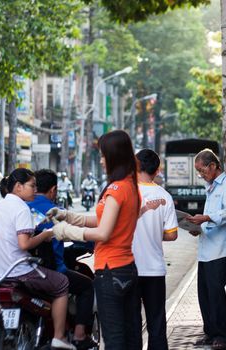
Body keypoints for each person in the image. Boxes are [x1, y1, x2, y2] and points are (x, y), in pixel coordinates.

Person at [47, 130, 155, 349]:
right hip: (128, 268)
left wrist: (65, 232)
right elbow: (100, 219)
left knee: (114, 340)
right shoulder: (131, 187)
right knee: (131, 337)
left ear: (115, 156)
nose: (102, 161)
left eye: (104, 156)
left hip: (110, 271)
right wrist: (67, 215)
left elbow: (103, 232)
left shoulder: (115, 189)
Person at [0, 168, 74, 350]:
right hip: (20, 272)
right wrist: (47, 234)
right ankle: (59, 337)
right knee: (62, 283)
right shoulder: (21, 208)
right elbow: (24, 244)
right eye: (32, 186)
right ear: (18, 187)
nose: (35, 190)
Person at [27, 169, 97, 350]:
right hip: (51, 270)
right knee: (87, 286)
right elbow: (77, 234)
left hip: (21, 270)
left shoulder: (22, 207)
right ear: (53, 190)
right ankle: (80, 335)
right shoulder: (56, 211)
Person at [185, 149, 226, 350]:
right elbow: (211, 218)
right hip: (206, 248)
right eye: (198, 171)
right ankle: (210, 332)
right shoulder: (210, 188)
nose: (201, 174)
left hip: (221, 249)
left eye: (202, 170)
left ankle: (221, 336)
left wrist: (205, 218)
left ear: (213, 166)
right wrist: (197, 228)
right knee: (204, 293)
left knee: (216, 292)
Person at [132, 149, 178, 350]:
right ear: (157, 171)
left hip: (128, 269)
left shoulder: (127, 193)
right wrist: (153, 233)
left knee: (131, 324)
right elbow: (172, 234)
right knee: (156, 323)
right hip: (154, 270)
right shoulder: (164, 196)